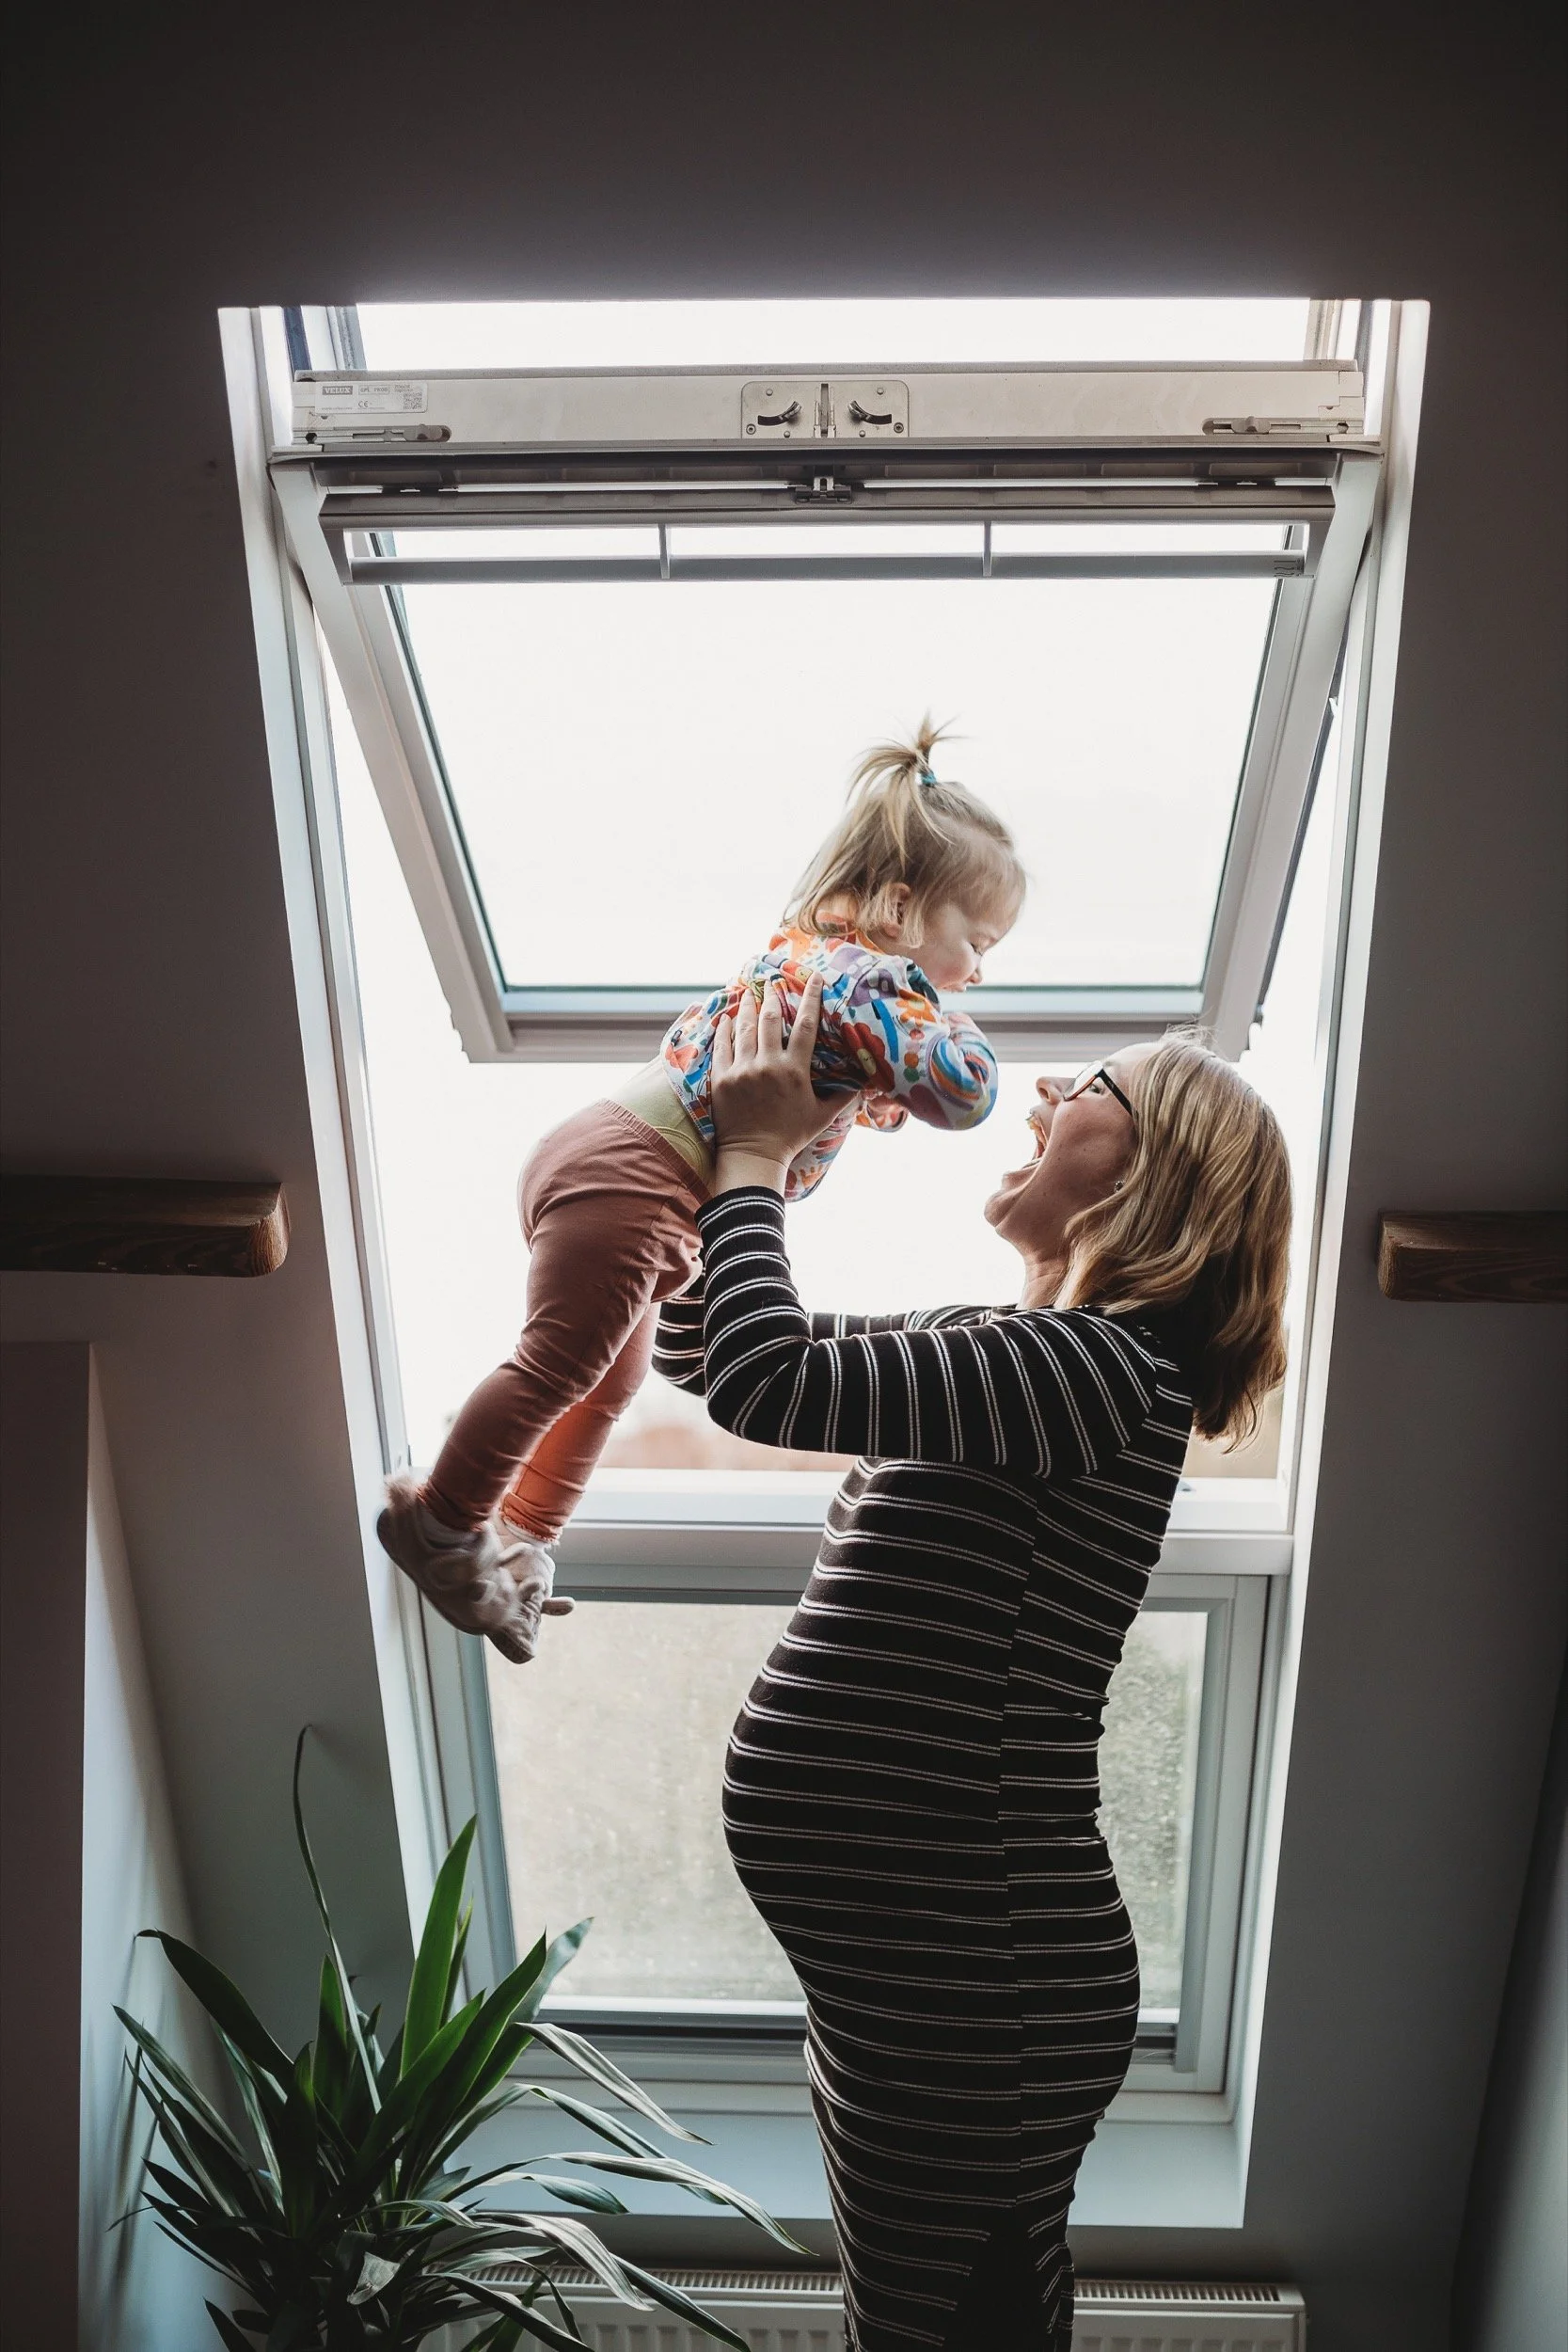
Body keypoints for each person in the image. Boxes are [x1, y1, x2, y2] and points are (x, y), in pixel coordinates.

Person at [655, 986, 1291, 2352]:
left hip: (978, 1972)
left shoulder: (1099, 1375)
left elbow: (764, 1378)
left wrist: (756, 1161)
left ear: (1156, 1175)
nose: (1049, 1093)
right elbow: (715, 1352)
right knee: (929, 2316)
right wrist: (738, 1153)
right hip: (913, 1964)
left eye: (1093, 1090)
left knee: (950, 2323)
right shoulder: (1013, 1350)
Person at [378, 722, 1026, 1662]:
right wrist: (950, 1020)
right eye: (977, 941)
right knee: (556, 1367)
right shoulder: (862, 977)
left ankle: (522, 1534)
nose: (977, 971)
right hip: (638, 1178)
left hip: (615, 1163)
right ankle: (442, 1526)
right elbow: (961, 1091)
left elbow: (874, 1092)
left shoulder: (802, 958)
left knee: (608, 1381)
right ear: (897, 908)